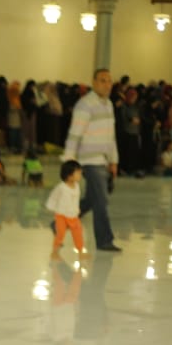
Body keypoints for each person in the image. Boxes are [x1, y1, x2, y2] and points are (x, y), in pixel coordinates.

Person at [63, 68, 122, 252]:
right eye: (103, 80)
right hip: (88, 161)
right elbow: (75, 134)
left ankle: (60, 223)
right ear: (94, 82)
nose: (107, 85)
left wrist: (113, 161)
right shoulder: (85, 104)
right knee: (101, 201)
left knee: (91, 200)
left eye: (109, 81)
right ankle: (105, 241)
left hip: (102, 160)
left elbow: (111, 136)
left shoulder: (108, 105)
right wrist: (69, 161)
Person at [47, 160, 85, 259]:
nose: (80, 175)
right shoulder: (61, 187)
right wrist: (51, 207)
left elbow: (75, 199)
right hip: (61, 215)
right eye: (78, 173)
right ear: (69, 175)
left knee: (78, 233)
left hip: (73, 215)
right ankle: (54, 252)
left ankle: (81, 252)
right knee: (60, 234)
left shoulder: (77, 186)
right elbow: (53, 197)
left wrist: (77, 209)